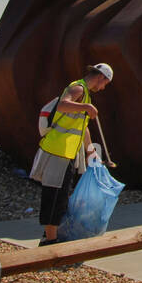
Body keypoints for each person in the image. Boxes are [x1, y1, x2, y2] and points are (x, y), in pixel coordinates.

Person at [30, 63, 113, 245]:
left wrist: (90, 151)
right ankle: (49, 239)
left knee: (61, 195)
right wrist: (85, 107)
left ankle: (52, 234)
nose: (104, 87)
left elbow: (83, 129)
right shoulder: (77, 88)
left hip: (67, 152)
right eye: (106, 83)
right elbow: (62, 105)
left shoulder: (86, 95)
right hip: (56, 150)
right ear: (102, 77)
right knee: (53, 194)